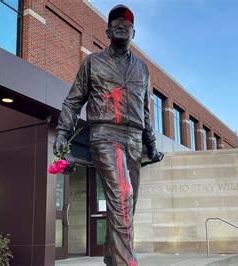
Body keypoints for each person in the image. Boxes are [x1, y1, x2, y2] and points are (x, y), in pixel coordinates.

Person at [53, 4, 163, 266]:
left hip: (135, 139)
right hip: (105, 134)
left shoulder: (143, 69)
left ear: (133, 32)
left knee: (126, 206)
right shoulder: (93, 62)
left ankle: (112, 259)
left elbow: (145, 111)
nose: (122, 23)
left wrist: (151, 144)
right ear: (107, 30)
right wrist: (62, 131)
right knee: (122, 194)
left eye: (127, 22)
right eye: (116, 21)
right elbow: (72, 101)